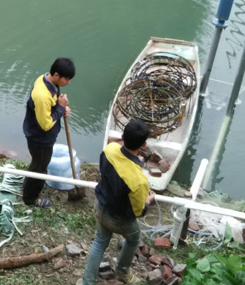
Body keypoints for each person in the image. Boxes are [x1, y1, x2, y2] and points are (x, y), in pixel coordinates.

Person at [77, 118, 155, 285]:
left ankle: (87, 281)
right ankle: (122, 271)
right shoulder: (139, 179)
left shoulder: (109, 150)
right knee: (134, 239)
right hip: (120, 219)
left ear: (122, 136)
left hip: (101, 207)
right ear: (144, 145)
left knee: (99, 242)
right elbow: (138, 211)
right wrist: (148, 201)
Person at [22, 57, 75, 208]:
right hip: (40, 139)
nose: (68, 82)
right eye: (67, 79)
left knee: (38, 164)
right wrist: (59, 108)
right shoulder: (42, 95)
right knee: (40, 167)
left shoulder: (45, 79)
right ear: (57, 75)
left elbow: (52, 105)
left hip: (39, 135)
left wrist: (61, 108)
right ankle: (30, 198)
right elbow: (45, 125)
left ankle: (31, 183)